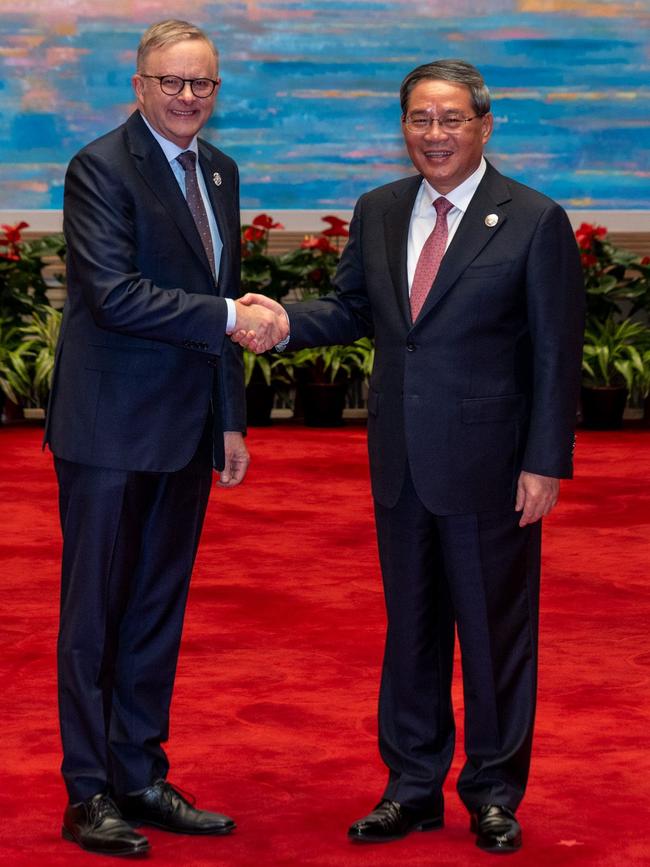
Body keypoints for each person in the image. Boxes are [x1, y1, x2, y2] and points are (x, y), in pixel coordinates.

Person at [235, 59, 584, 854]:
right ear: (404, 128)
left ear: (484, 126)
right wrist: (284, 320)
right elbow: (355, 306)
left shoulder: (532, 219)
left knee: (494, 636)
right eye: (420, 120)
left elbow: (557, 352)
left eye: (451, 119)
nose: (435, 135)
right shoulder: (381, 210)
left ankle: (493, 791)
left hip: (493, 466)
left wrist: (544, 462)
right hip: (400, 461)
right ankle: (411, 786)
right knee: (412, 630)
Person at [44, 19, 287, 857]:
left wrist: (229, 418)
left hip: (186, 430)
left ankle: (140, 773)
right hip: (109, 430)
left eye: (203, 85)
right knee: (94, 615)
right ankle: (88, 792)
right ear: (139, 84)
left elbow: (218, 293)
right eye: (173, 82)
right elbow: (114, 294)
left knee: (155, 610)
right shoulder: (100, 168)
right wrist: (229, 317)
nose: (189, 98)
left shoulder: (218, 170)